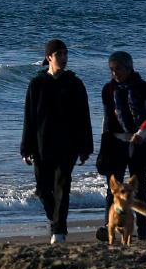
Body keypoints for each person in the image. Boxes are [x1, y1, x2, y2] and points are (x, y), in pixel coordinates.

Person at [21, 39, 93, 244]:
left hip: (67, 146)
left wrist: (85, 147)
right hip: (42, 146)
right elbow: (29, 118)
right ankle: (56, 223)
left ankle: (59, 231)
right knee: (42, 189)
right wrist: (26, 148)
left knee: (62, 188)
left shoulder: (75, 84)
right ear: (49, 57)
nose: (63, 58)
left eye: (65, 54)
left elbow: (83, 117)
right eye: (59, 54)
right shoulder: (37, 84)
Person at [96, 51, 146, 242]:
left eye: (119, 69)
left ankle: (143, 228)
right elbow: (106, 120)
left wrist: (140, 135)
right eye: (112, 69)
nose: (115, 73)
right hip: (116, 143)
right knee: (112, 187)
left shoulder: (144, 88)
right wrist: (104, 144)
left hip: (142, 142)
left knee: (139, 187)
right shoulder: (108, 90)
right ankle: (109, 225)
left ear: (129, 68)